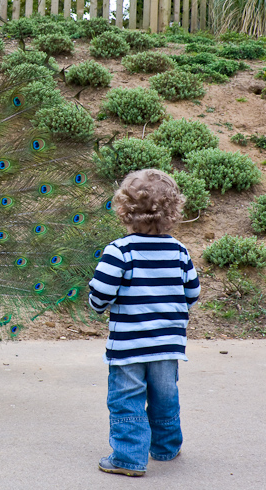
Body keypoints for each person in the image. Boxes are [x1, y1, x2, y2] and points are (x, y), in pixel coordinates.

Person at [88, 168, 200, 477]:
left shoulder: (119, 251)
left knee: (127, 399)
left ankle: (128, 458)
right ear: (173, 210)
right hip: (168, 343)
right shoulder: (179, 250)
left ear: (123, 209)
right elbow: (193, 292)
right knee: (165, 396)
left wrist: (97, 305)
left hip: (128, 346)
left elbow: (101, 294)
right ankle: (165, 447)